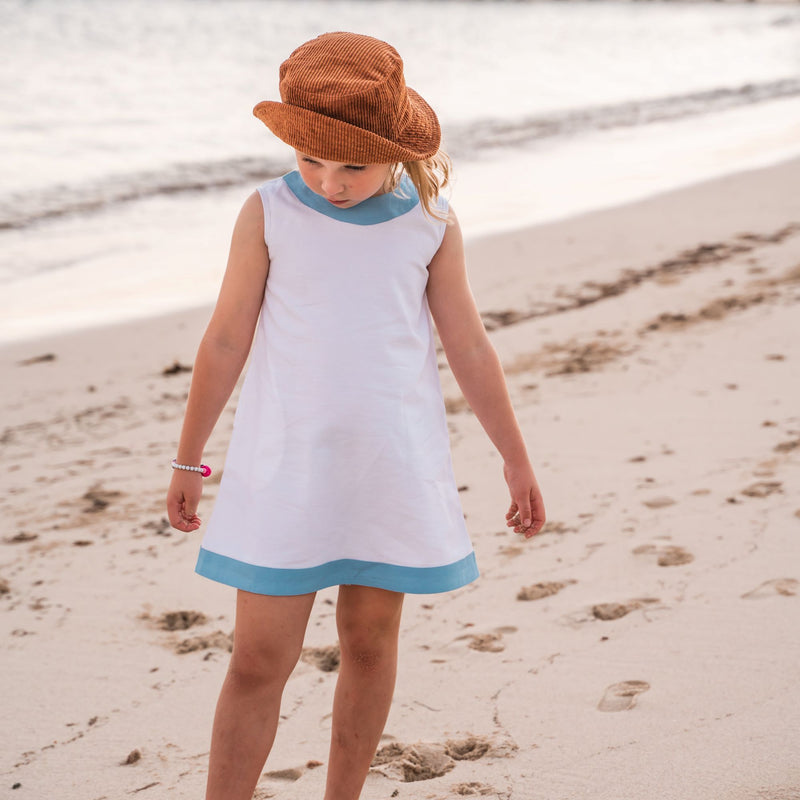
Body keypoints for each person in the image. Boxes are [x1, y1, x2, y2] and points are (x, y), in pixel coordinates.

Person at [166, 31, 545, 800]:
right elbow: (228, 337)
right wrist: (189, 456)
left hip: (387, 471)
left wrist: (514, 455)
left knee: (369, 647)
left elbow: (468, 346)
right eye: (311, 159)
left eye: (352, 166)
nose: (329, 183)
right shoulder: (268, 212)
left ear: (397, 152)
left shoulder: (431, 222)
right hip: (285, 474)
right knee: (256, 661)